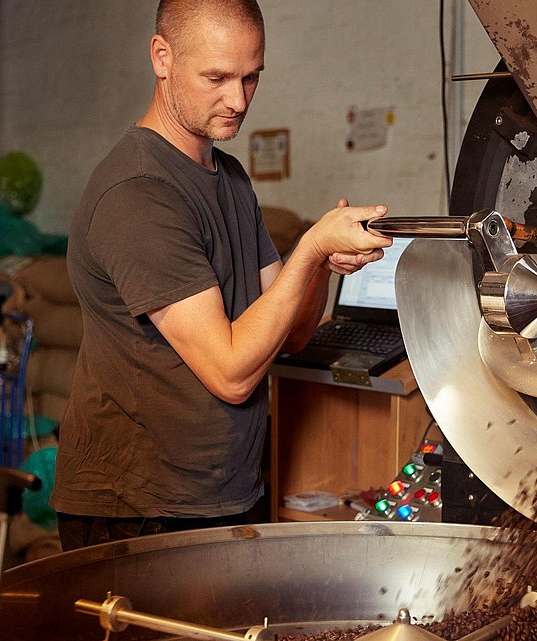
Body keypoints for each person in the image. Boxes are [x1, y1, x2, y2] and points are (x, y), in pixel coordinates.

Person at [50, 0, 392, 550]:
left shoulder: (228, 177)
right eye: (217, 77)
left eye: (250, 77)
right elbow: (231, 374)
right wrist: (308, 249)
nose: (238, 100)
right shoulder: (138, 194)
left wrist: (323, 267)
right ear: (162, 57)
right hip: (138, 506)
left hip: (223, 489)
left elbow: (292, 333)